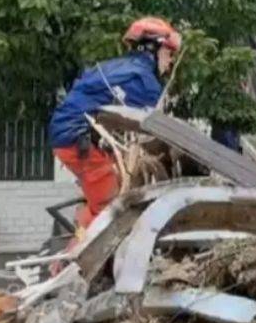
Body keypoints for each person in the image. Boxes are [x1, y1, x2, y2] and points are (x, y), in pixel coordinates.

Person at [49, 17, 181, 233]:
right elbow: (155, 131)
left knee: (111, 194)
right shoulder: (142, 79)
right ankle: (78, 260)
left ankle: (78, 240)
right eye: (168, 53)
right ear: (152, 48)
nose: (170, 63)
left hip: (71, 137)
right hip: (78, 140)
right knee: (110, 209)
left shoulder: (118, 68)